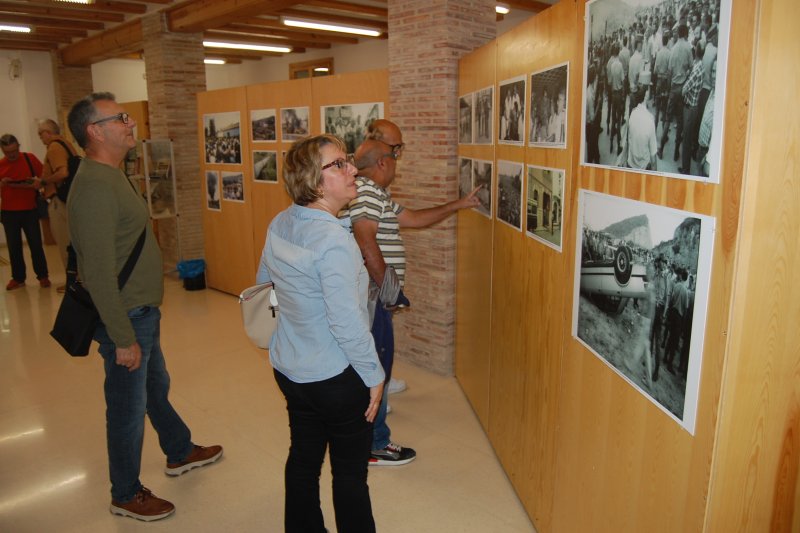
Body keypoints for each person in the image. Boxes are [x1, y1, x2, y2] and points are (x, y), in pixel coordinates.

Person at [66, 92, 222, 522]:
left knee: (155, 387)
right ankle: (126, 492)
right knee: (127, 409)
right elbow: (96, 273)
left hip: (140, 314)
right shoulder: (96, 186)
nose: (130, 122)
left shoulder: (113, 174)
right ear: (94, 132)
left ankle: (178, 450)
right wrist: (122, 338)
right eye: (120, 118)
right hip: (126, 319)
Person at [256, 134, 384, 533]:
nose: (353, 171)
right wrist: (374, 375)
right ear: (313, 180)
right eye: (339, 165)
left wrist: (295, 322)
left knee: (304, 459)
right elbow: (346, 323)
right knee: (349, 474)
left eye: (349, 161)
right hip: (335, 378)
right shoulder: (332, 242)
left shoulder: (282, 221)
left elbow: (263, 288)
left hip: (291, 368)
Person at [343, 119, 480, 466]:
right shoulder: (367, 194)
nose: (397, 164)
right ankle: (375, 443)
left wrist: (459, 204)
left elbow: (415, 219)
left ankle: (367, 435)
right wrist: (390, 291)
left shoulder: (376, 195)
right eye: (396, 155)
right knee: (377, 368)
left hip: (376, 297)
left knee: (375, 366)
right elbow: (366, 241)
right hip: (374, 298)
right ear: (382, 163)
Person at [0, 133, 50, 290]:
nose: (12, 154)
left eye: (14, 150)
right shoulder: (1, 164)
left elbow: (44, 177)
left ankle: (43, 276)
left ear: (18, 147)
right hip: (8, 212)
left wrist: (36, 183)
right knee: (14, 247)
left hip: (30, 209)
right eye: (8, 152)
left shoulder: (29, 158)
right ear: (2, 151)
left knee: (36, 245)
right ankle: (18, 278)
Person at [38, 118, 78, 292]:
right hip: (70, 198)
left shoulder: (54, 148)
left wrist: (44, 181)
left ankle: (72, 281)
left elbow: (62, 172)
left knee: (64, 242)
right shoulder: (66, 144)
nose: (40, 138)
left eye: (41, 134)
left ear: (48, 132)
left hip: (59, 200)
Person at [626, 88, 658, 171]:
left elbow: (629, 140)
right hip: (643, 167)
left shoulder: (632, 114)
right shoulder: (650, 120)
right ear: (646, 96)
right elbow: (653, 158)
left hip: (630, 165)